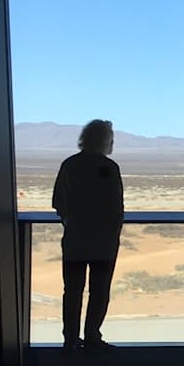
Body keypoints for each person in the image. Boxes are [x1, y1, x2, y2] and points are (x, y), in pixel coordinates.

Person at [51, 119, 124, 351]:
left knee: (72, 291)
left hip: (75, 239)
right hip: (103, 242)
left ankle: (70, 338)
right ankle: (92, 336)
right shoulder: (109, 168)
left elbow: (57, 201)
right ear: (105, 141)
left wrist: (70, 220)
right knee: (99, 290)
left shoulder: (70, 165)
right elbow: (115, 207)